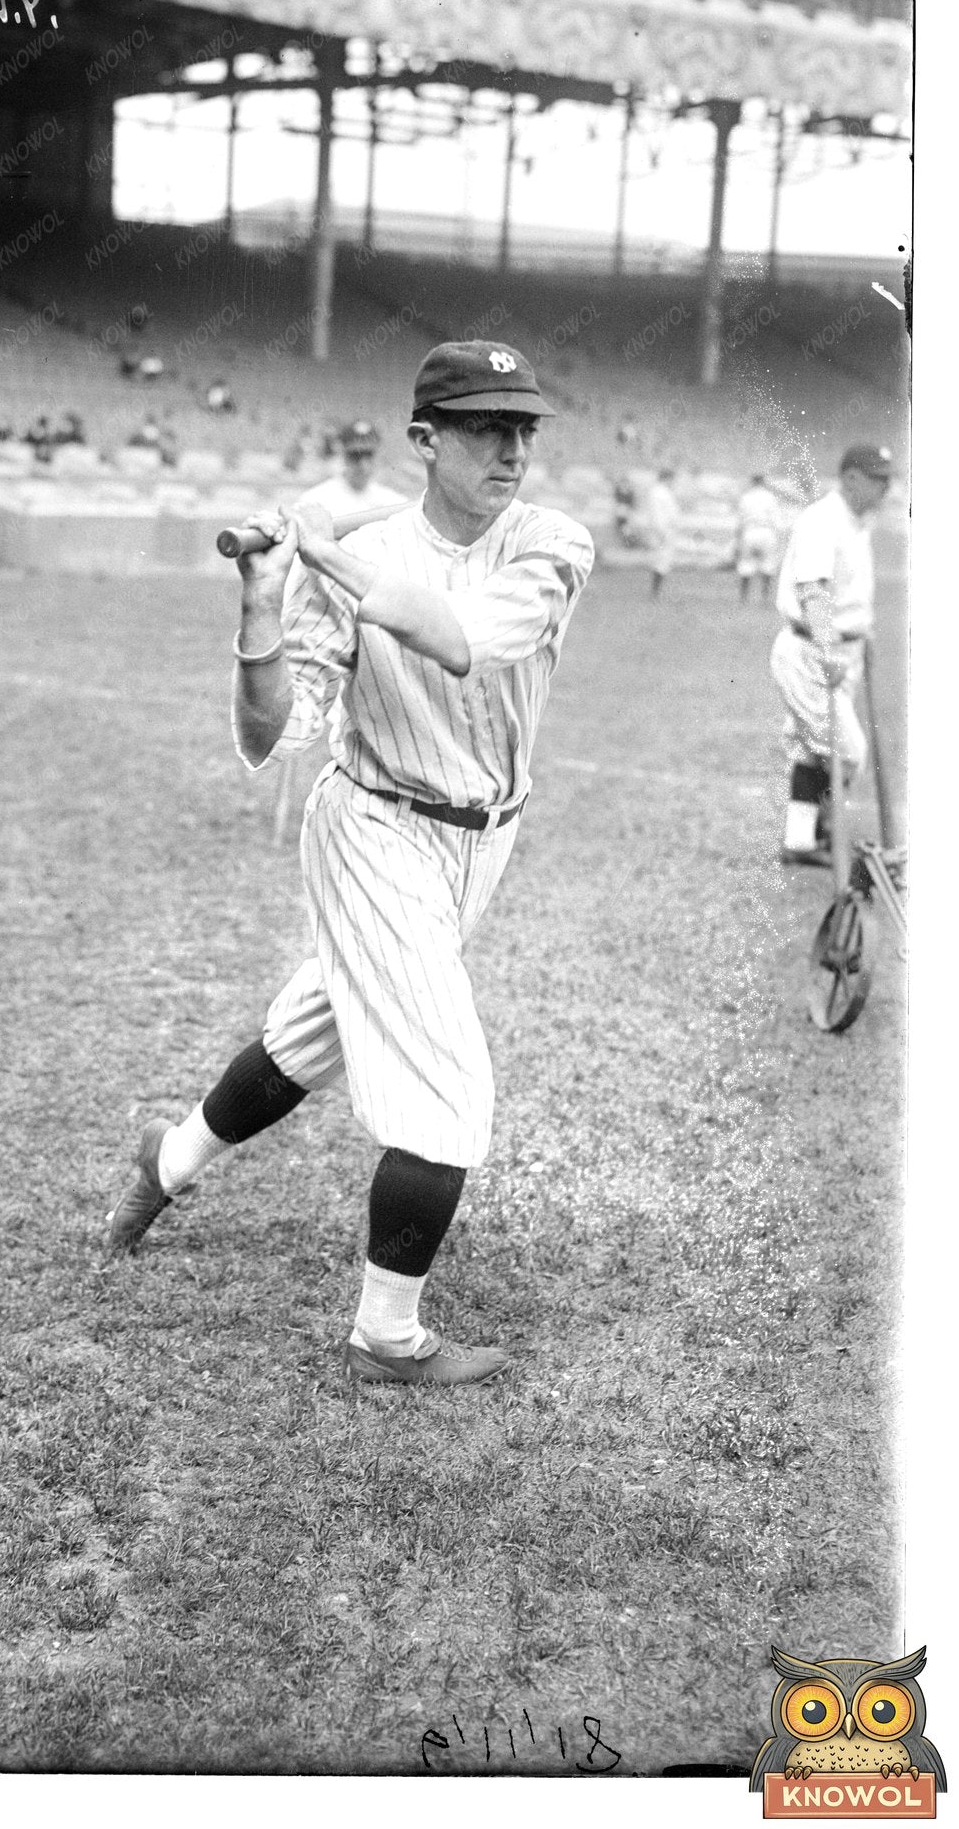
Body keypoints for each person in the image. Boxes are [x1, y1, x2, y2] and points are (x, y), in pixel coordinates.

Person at [106, 341, 594, 1387]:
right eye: (483, 427)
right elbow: (271, 736)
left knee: (315, 1026)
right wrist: (260, 608)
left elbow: (457, 632)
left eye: (523, 428)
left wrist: (323, 548)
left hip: (484, 836)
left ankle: (167, 1160)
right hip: (373, 823)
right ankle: (386, 1335)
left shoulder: (553, 542)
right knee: (446, 1087)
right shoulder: (357, 549)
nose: (511, 448)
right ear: (425, 440)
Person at [771, 443, 893, 866]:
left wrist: (863, 635)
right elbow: (813, 591)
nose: (886, 487)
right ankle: (819, 831)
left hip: (844, 650)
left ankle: (802, 840)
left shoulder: (858, 522)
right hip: (812, 648)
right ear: (851, 478)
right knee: (848, 752)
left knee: (813, 750)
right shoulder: (822, 520)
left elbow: (850, 593)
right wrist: (828, 648)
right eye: (878, 478)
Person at [301, 419, 404, 520]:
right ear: (343, 455)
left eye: (369, 455)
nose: (363, 465)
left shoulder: (394, 502)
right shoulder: (316, 500)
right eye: (356, 456)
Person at [735, 473, 783, 603]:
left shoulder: (746, 497)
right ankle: (764, 598)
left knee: (746, 564)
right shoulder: (770, 497)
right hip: (766, 532)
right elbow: (777, 521)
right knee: (768, 564)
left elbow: (740, 521)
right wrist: (778, 537)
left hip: (750, 531)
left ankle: (744, 598)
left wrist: (738, 539)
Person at [644, 468, 680, 598]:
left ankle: (657, 591)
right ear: (667, 478)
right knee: (661, 560)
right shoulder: (658, 493)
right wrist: (662, 531)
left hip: (665, 529)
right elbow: (657, 515)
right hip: (663, 530)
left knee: (663, 560)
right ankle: (656, 591)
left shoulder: (663, 492)